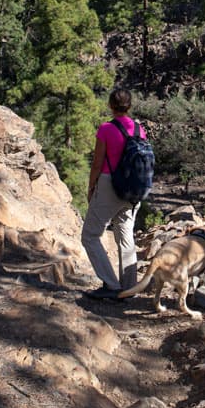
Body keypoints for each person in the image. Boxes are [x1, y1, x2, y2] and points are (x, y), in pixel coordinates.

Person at [82, 88, 145, 300]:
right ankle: (129, 288)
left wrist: (91, 188)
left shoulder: (106, 129)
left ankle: (111, 285)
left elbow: (97, 164)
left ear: (110, 105)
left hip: (110, 185)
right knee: (125, 236)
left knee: (90, 236)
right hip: (133, 189)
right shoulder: (139, 129)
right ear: (130, 106)